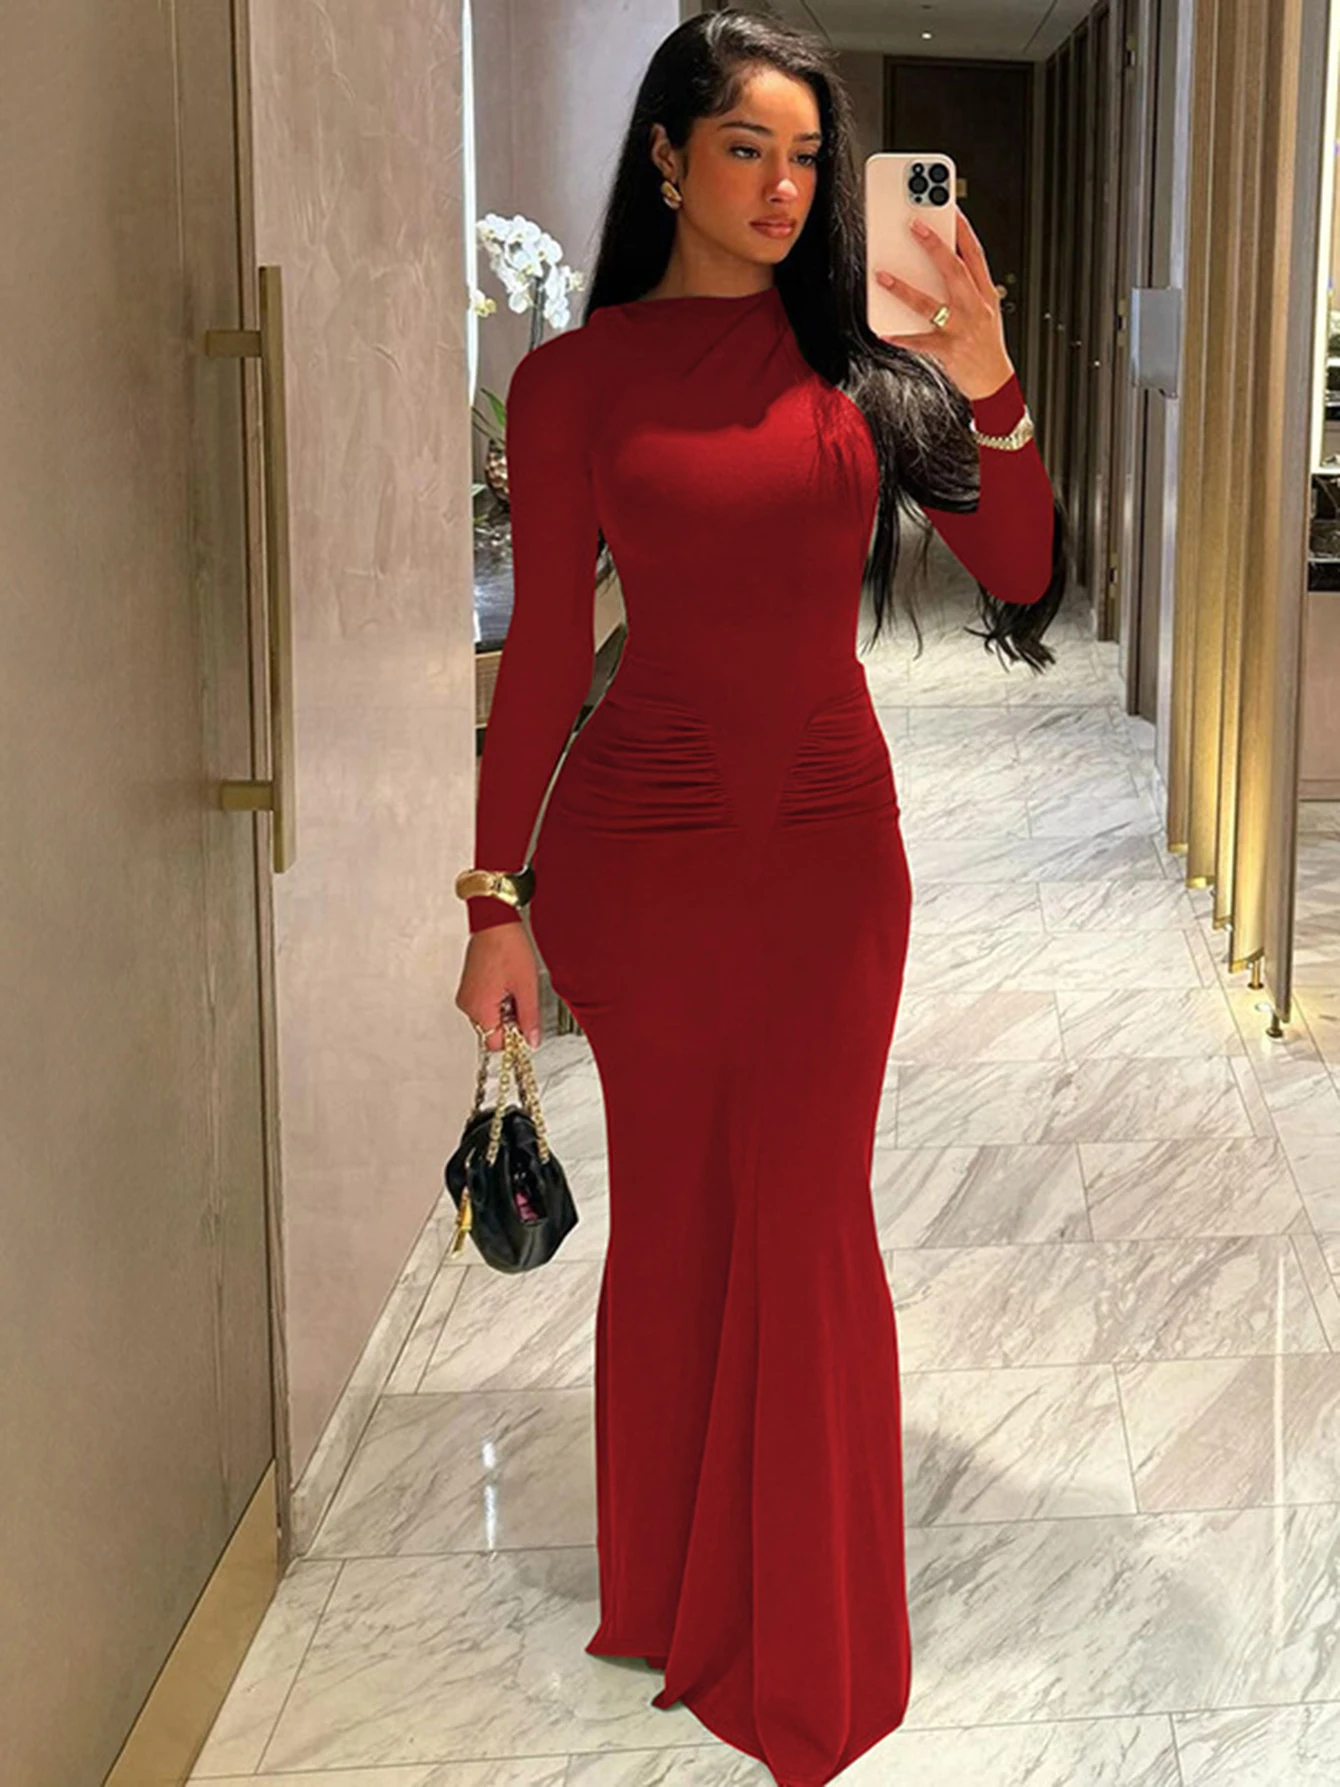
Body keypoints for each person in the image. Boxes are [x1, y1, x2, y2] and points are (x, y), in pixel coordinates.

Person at [454, 11, 1063, 1785]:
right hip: (637, 860)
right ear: (666, 159)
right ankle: (665, 1585)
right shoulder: (572, 387)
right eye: (747, 151)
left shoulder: (866, 373)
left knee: (800, 1212)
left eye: (808, 157)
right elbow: (547, 653)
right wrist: (493, 900)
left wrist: (990, 375)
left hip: (826, 855)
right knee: (677, 1220)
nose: (787, 189)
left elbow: (1024, 568)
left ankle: (798, 1620)